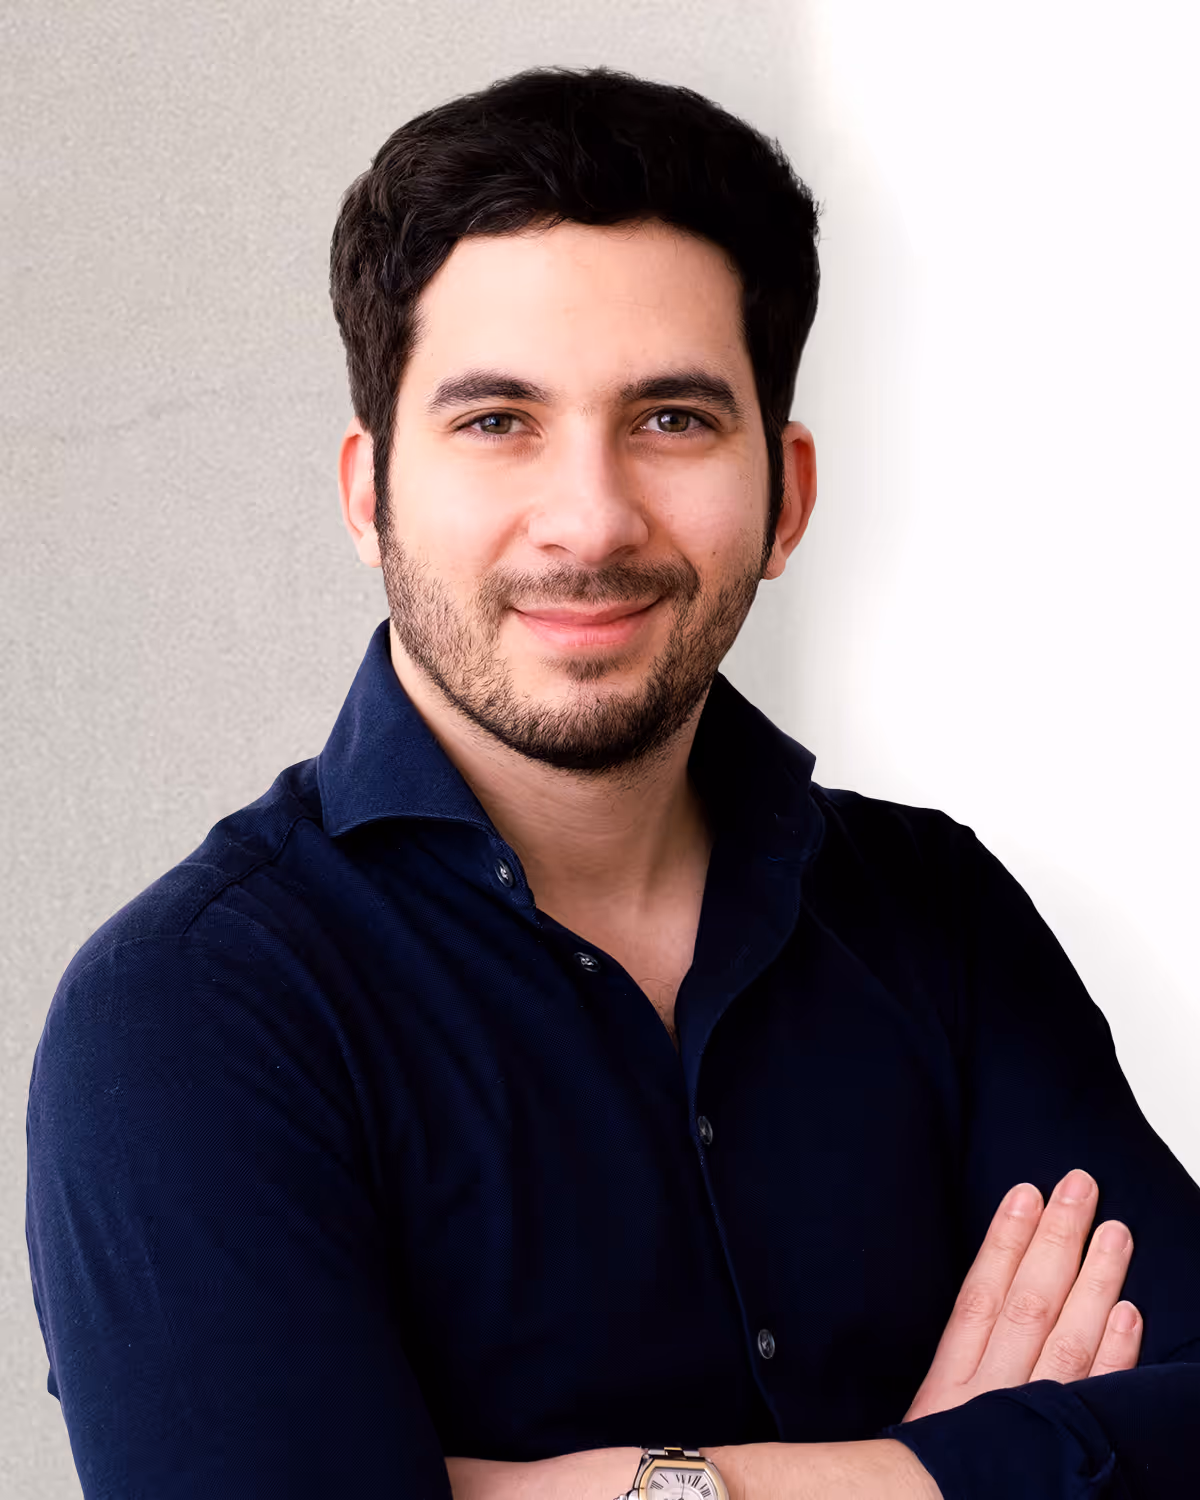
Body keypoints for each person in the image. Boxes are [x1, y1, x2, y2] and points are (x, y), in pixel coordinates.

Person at [24, 64, 1200, 1500]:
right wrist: (964, 1472)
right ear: (368, 494)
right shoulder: (190, 1013)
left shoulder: (939, 919)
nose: (589, 521)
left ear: (787, 494)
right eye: (496, 421)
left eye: (671, 419)